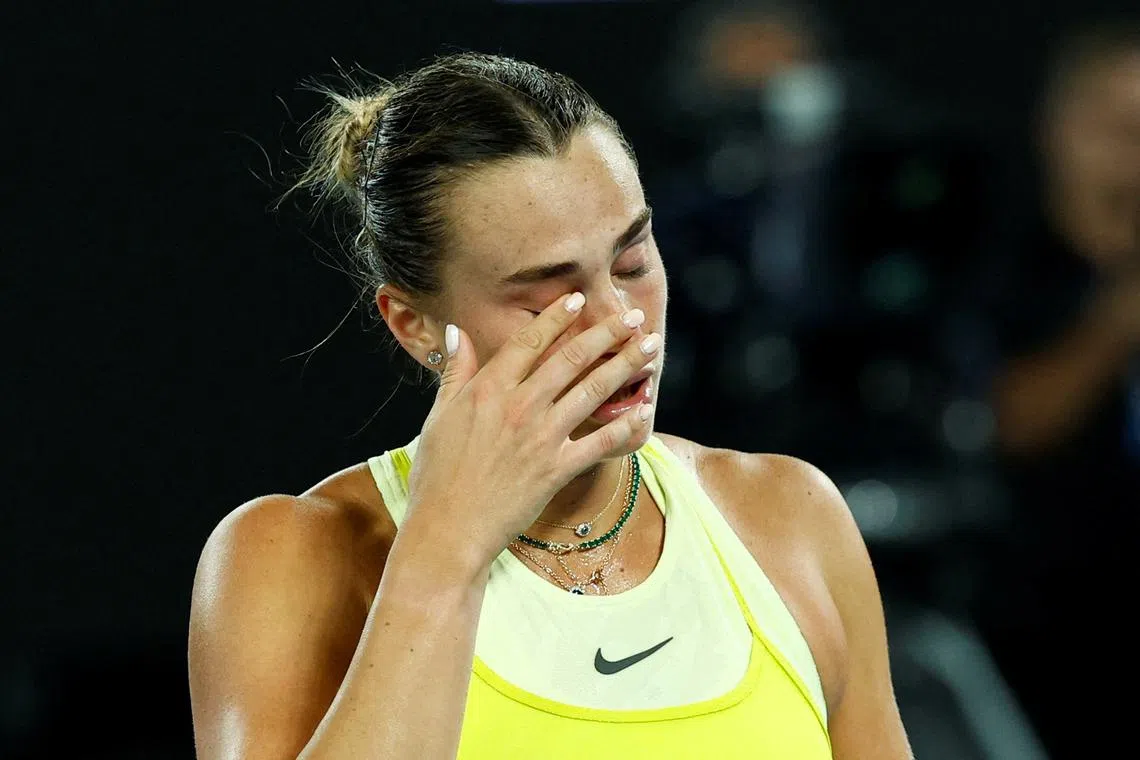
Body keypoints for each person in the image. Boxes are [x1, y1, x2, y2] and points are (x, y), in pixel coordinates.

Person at [187, 53, 912, 759]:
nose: (620, 321)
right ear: (413, 326)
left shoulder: (790, 518)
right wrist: (447, 549)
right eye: (550, 297)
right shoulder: (289, 559)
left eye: (632, 261)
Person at [976, 21, 1140, 757]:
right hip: (1037, 648)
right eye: (1113, 126)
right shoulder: (996, 263)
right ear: (1057, 127)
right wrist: (1116, 322)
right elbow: (1003, 424)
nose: (1133, 154)